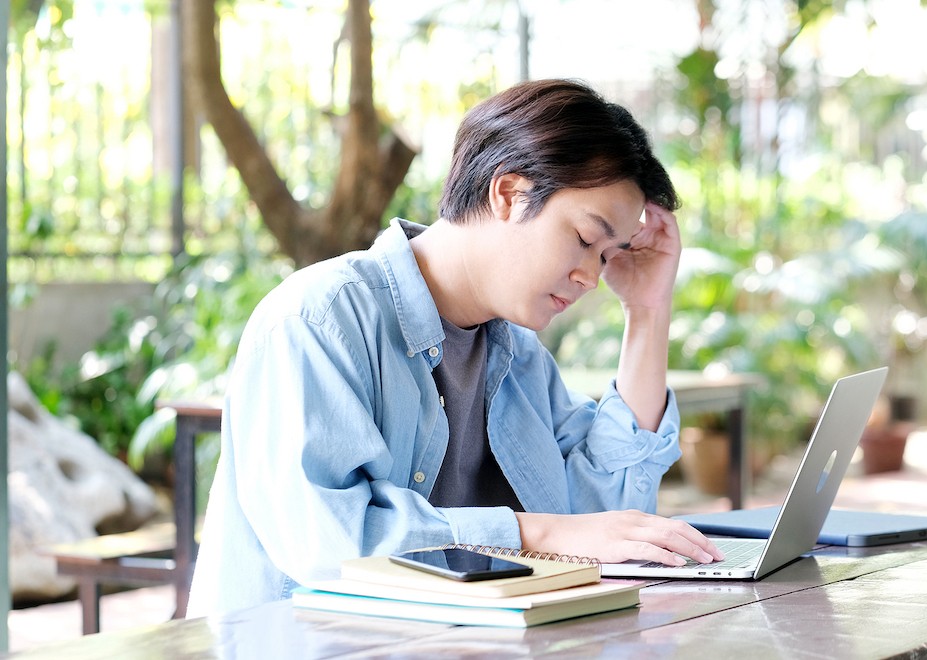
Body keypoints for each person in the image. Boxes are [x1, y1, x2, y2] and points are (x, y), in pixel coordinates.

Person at [187, 78, 723, 617]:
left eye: (609, 255)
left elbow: (610, 527)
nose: (591, 276)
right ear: (508, 194)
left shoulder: (518, 354)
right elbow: (330, 545)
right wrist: (531, 532)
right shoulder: (320, 318)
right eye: (586, 238)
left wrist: (647, 310)